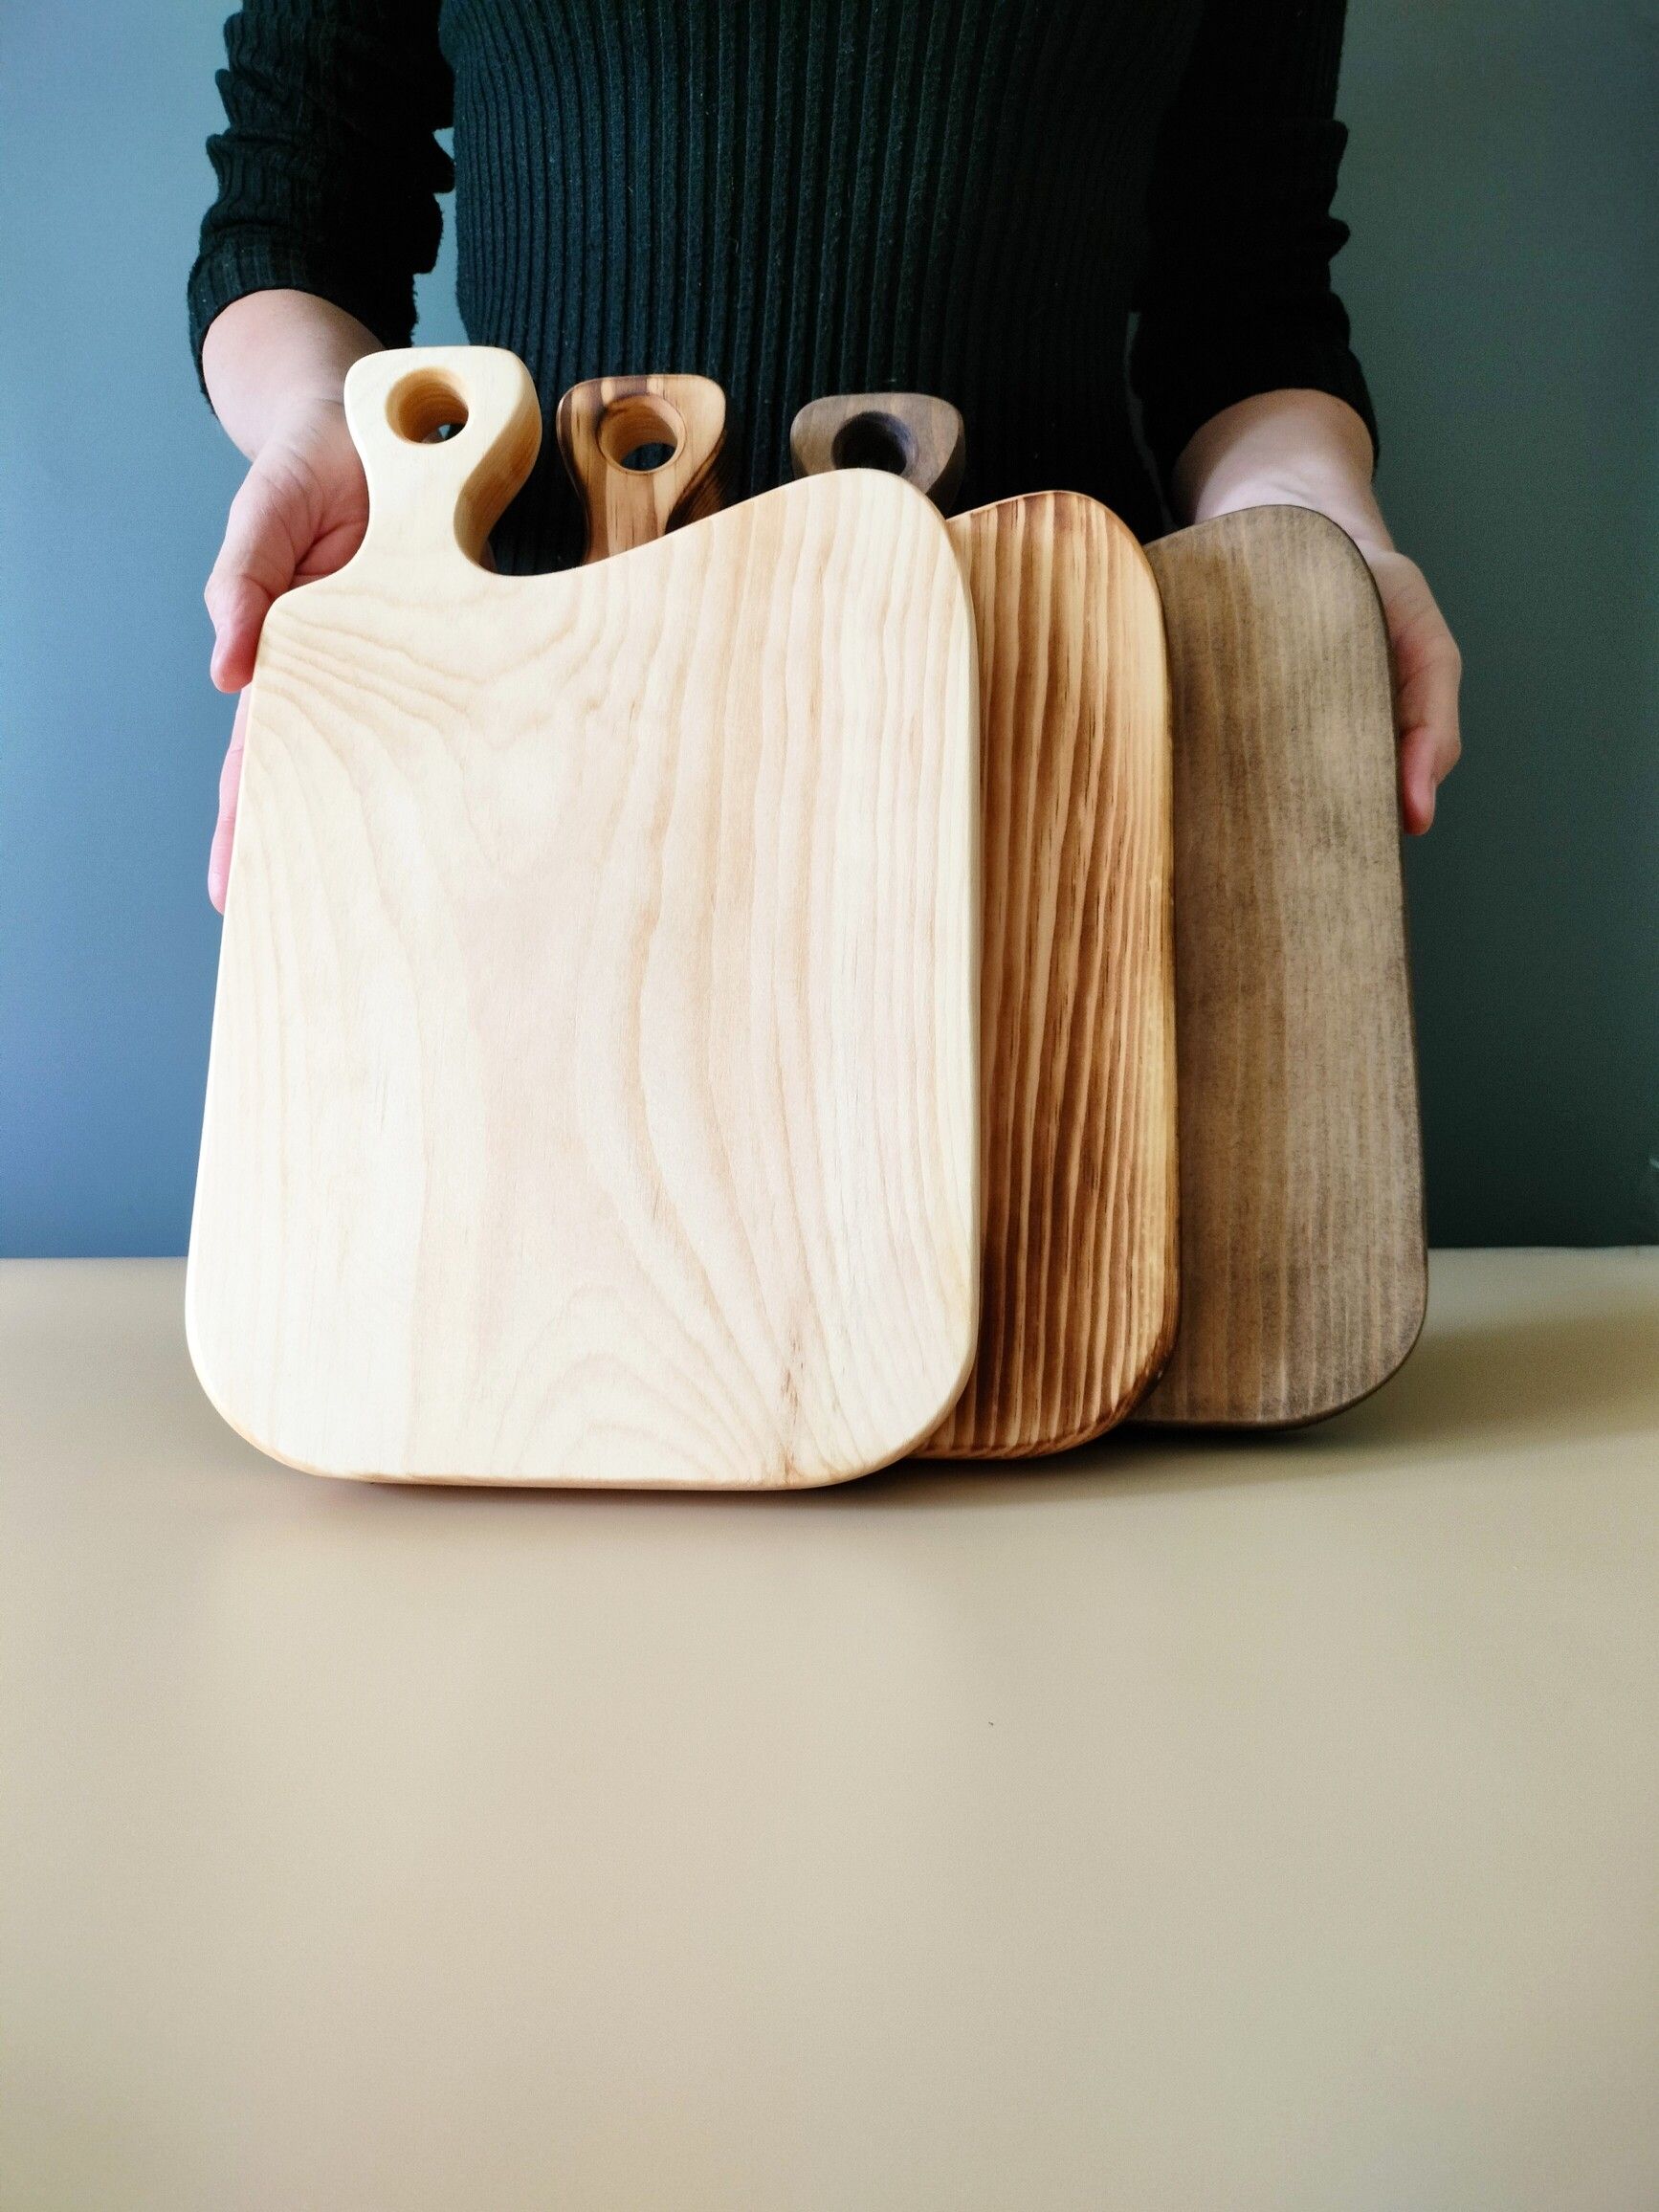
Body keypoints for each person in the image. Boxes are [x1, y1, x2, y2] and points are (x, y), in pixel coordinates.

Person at [191, 0, 1461, 912]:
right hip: (528, 722)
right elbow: (295, 206)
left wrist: (1315, 545)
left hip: (1036, 736)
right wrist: (325, 424)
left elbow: (1246, 302)